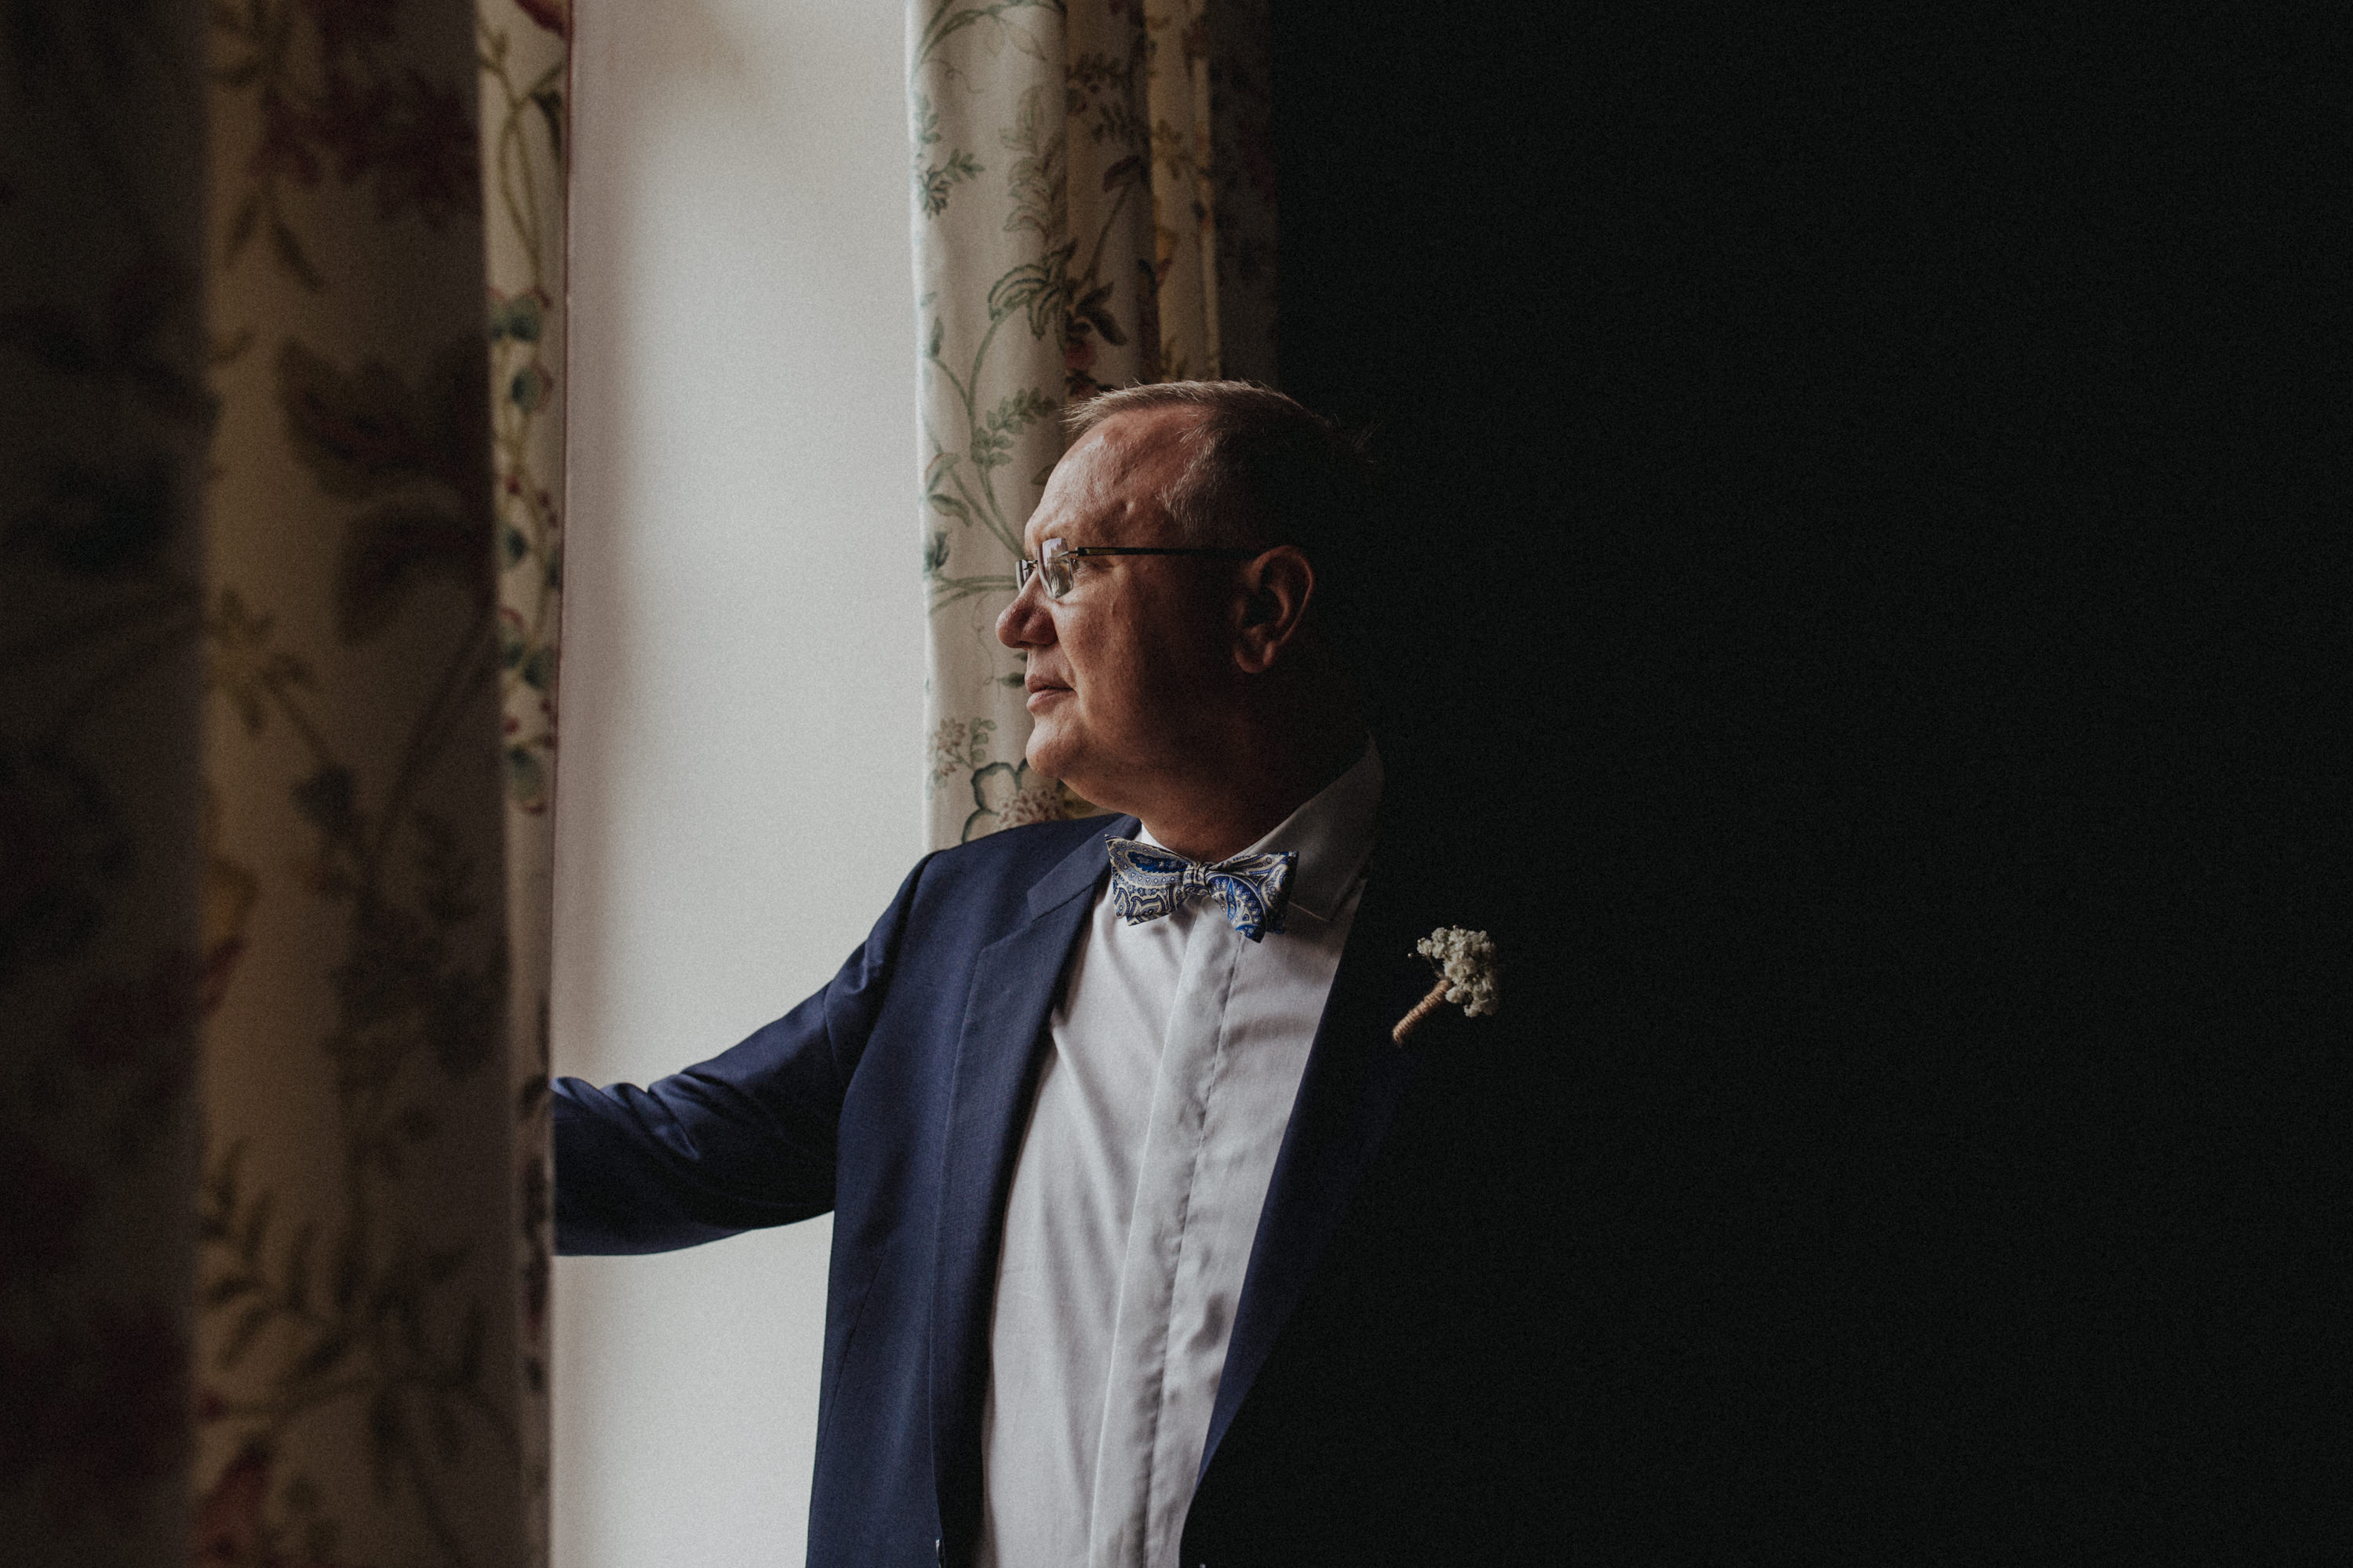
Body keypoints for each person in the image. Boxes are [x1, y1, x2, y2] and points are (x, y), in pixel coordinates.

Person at [553, 382, 1554, 1567]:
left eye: (1070, 565)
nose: (1016, 624)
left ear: (1262, 607)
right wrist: (353, 1111)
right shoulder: (957, 925)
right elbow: (669, 1153)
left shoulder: (1522, 960)